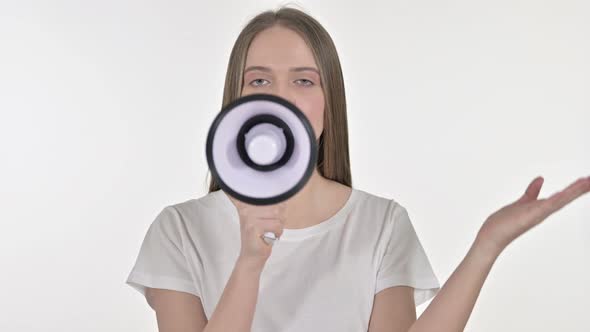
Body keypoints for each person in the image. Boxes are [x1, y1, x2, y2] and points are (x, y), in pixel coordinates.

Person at [125, 6, 590, 332]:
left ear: (330, 104)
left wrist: (487, 245)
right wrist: (250, 262)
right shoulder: (179, 229)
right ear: (237, 98)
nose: (280, 97)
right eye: (260, 79)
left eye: (304, 80)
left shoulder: (382, 224)